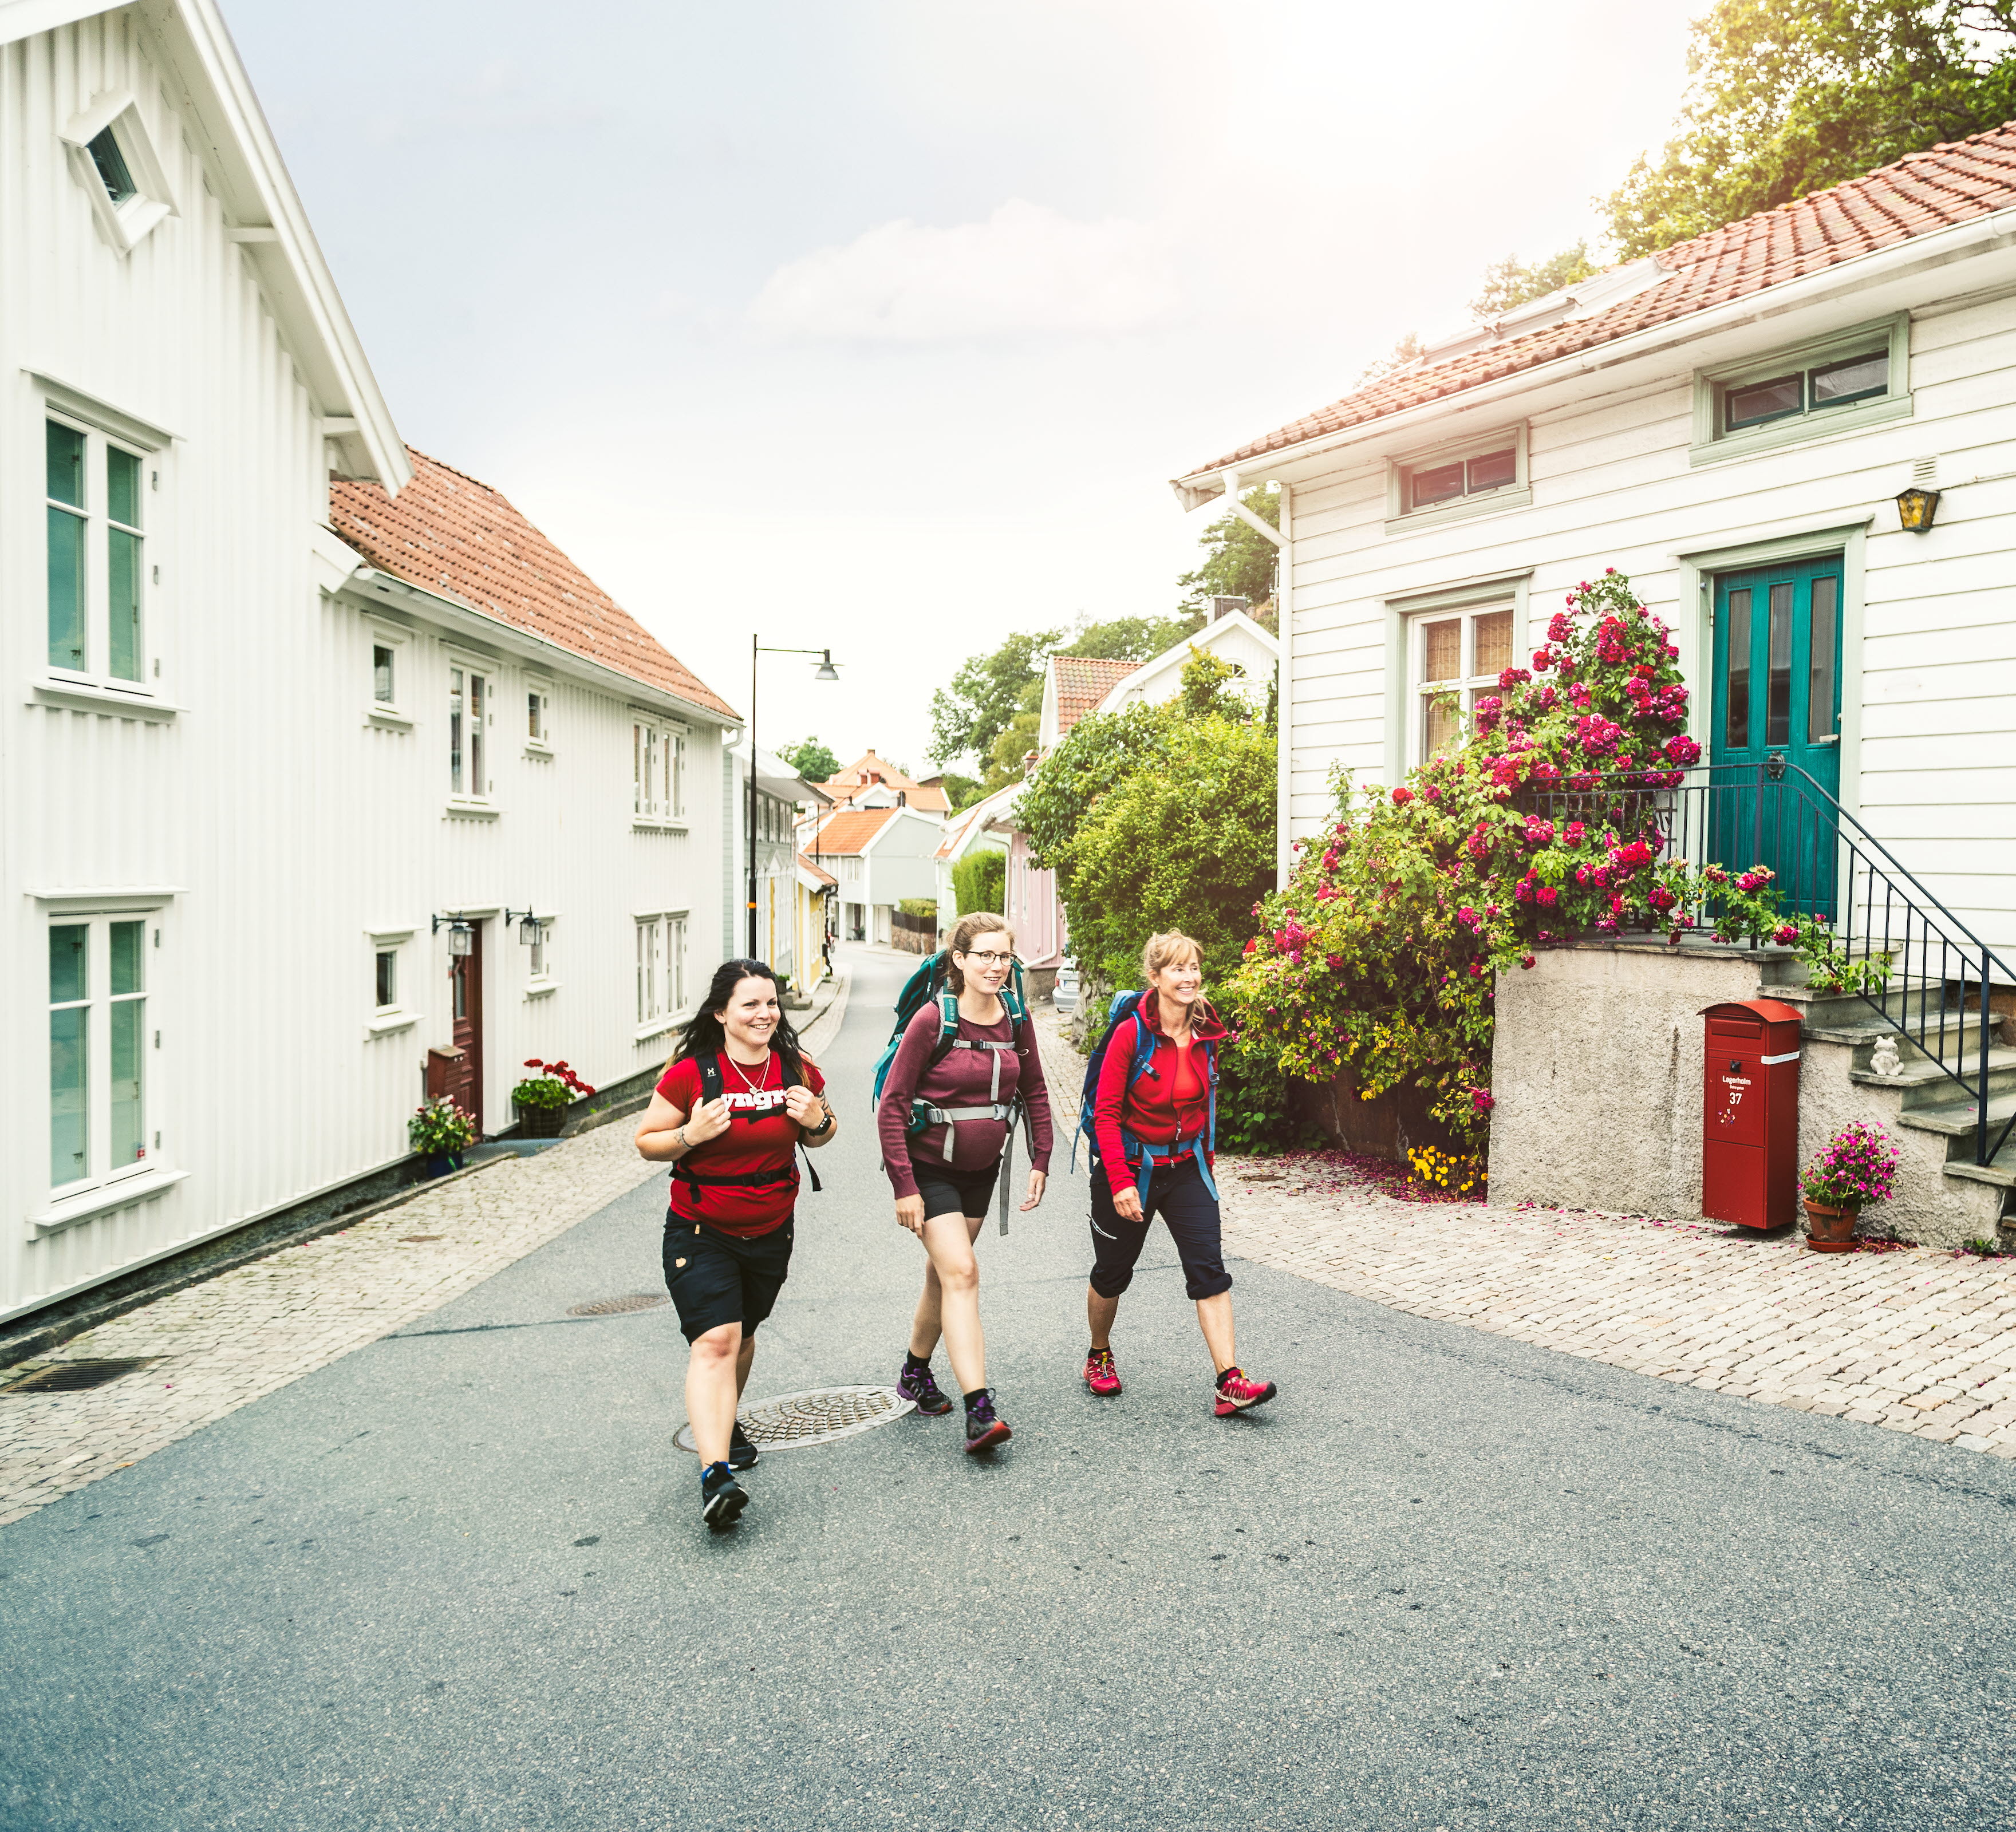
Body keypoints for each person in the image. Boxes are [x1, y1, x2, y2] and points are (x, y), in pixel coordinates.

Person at [634, 959, 838, 1529]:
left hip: (772, 1230)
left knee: (743, 1334)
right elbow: (647, 1141)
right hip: (700, 1230)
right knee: (716, 1342)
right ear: (721, 1012)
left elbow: (823, 1134)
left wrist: (818, 1118)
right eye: (749, 1004)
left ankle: (723, 1422)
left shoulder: (795, 1067)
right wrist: (687, 1136)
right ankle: (714, 1474)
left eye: (770, 1002)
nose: (764, 1013)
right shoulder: (690, 1074)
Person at [878, 912, 1054, 1452]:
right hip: (928, 1171)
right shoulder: (932, 1021)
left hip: (981, 1171)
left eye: (1004, 957)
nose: (996, 967)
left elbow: (1038, 1093)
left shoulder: (1015, 1017)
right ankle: (979, 1409)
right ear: (959, 960)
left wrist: (1040, 1159)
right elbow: (892, 1108)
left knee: (943, 1274)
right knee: (963, 1271)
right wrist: (903, 1185)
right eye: (984, 955)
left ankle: (914, 1371)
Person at [1082, 930, 1276, 1416]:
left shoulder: (1207, 1029)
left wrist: (1206, 1172)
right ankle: (1098, 1353)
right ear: (1155, 976)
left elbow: (1206, 1107)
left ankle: (1229, 1382)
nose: (1189, 977)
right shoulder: (1132, 1033)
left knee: (1209, 1271)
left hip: (1186, 1167)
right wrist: (1122, 1180)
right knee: (1111, 1274)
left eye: (1193, 968)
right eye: (1177, 969)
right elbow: (1105, 1112)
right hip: (1129, 1167)